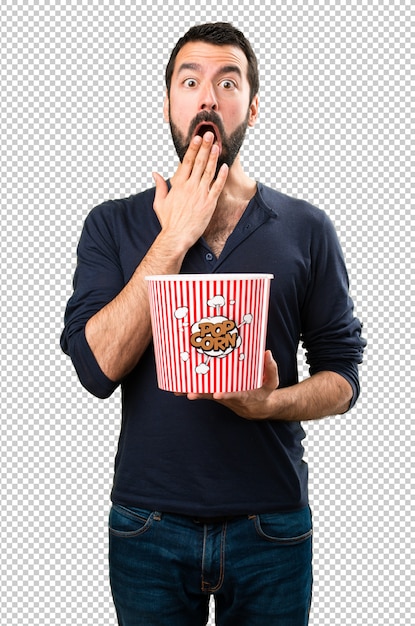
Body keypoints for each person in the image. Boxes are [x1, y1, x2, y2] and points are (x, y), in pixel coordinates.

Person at [61, 22, 365, 626]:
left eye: (228, 82)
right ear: (169, 103)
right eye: (190, 80)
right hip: (147, 525)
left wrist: (269, 403)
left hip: (271, 527)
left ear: (251, 107)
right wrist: (173, 239)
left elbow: (345, 376)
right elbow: (96, 370)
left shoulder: (307, 228)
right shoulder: (111, 225)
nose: (207, 96)